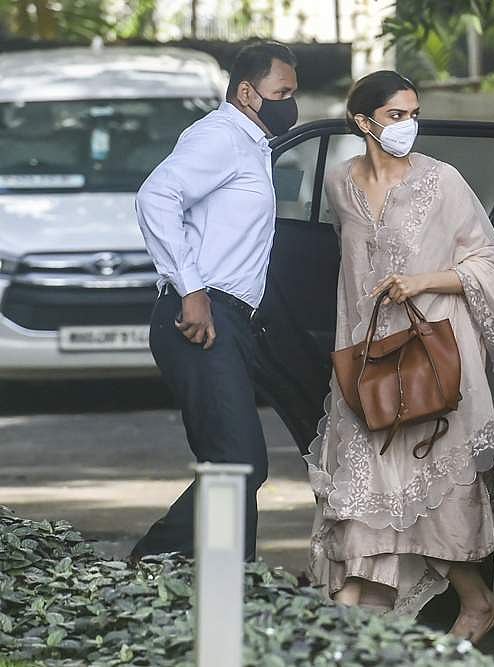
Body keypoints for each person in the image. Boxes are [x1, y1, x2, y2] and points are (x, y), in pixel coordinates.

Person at [305, 70, 494, 642]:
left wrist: (422, 281)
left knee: (434, 493)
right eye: (396, 115)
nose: (408, 125)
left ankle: (474, 604)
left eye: (413, 114)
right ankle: (357, 624)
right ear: (364, 122)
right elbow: (349, 277)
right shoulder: (339, 184)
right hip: (368, 366)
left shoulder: (442, 181)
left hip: (433, 365)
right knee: (361, 493)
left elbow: (489, 265)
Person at [131, 41, 299, 561]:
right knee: (238, 464)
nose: (290, 103)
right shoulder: (221, 136)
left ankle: (228, 583)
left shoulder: (254, 145)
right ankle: (151, 562)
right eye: (282, 93)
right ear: (247, 92)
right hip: (200, 319)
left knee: (230, 465)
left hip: (231, 320)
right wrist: (193, 291)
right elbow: (156, 197)